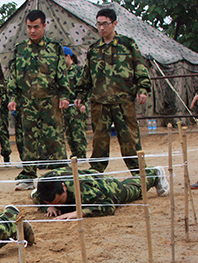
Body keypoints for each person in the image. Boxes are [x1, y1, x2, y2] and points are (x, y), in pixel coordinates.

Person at [74, 8, 151, 174]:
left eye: (105, 24)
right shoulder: (94, 49)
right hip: (100, 103)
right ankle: (95, 175)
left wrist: (143, 88)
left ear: (114, 23)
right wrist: (80, 94)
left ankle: (141, 175)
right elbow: (87, 75)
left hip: (123, 101)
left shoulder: (127, 44)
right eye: (98, 24)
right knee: (99, 143)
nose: (101, 28)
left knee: (130, 141)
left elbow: (139, 67)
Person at [8, 9, 71, 190]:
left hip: (50, 101)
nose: (32, 31)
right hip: (28, 102)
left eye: (36, 27)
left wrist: (64, 95)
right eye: (29, 27)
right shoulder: (20, 49)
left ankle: (62, 176)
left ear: (44, 25)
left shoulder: (55, 48)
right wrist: (12, 97)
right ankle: (28, 176)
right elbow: (14, 76)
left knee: (55, 139)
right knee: (28, 140)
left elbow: (62, 75)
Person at [32, 165, 169, 219]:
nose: (59, 206)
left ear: (64, 187)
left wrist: (79, 213)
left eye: (61, 200)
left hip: (106, 187)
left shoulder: (85, 190)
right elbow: (35, 196)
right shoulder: (44, 185)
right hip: (86, 176)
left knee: (133, 189)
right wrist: (48, 207)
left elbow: (108, 206)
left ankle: (154, 174)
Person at [62, 47, 88, 159]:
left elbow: (83, 87)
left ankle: (81, 154)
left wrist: (83, 102)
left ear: (68, 56)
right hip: (67, 106)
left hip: (76, 105)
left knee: (78, 131)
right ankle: (75, 154)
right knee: (69, 133)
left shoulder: (78, 70)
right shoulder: (63, 72)